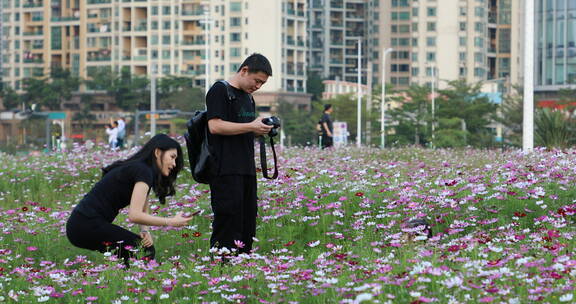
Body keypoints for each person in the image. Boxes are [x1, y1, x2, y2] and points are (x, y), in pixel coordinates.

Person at [65, 134, 193, 266]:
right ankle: (132, 282)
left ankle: (124, 282)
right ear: (157, 152)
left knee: (134, 251)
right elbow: (135, 215)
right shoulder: (143, 171)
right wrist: (170, 221)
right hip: (85, 224)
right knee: (143, 250)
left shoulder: (142, 169)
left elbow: (144, 203)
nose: (174, 164)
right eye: (172, 157)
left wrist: (144, 230)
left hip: (80, 224)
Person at [205, 53, 273, 255]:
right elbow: (215, 126)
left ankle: (242, 267)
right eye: (257, 80)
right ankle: (222, 267)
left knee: (247, 223)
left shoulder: (247, 97)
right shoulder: (220, 90)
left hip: (246, 169)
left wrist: (258, 129)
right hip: (225, 169)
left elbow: (241, 129)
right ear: (244, 71)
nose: (258, 86)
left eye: (262, 83)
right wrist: (250, 126)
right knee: (228, 221)